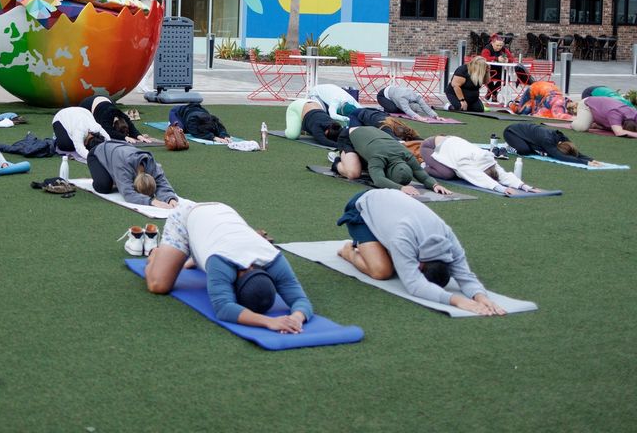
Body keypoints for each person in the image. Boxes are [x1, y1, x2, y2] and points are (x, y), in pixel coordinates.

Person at [144, 201, 314, 334]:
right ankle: (155, 254)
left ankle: (197, 253)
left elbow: (301, 300)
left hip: (222, 222)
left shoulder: (273, 260)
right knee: (158, 285)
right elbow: (224, 308)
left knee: (212, 248)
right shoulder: (221, 262)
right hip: (187, 216)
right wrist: (269, 321)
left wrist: (296, 318)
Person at [336, 189, 507, 315]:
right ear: (419, 265)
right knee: (382, 271)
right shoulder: (402, 236)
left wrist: (481, 297)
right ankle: (349, 252)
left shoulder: (447, 237)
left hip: (390, 208)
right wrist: (456, 300)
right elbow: (414, 285)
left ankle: (377, 247)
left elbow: (465, 276)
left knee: (395, 264)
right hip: (363, 206)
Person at [338, 126, 452, 196]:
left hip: (372, 135)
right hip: (350, 136)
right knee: (353, 173)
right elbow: (378, 180)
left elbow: (422, 174)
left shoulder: (407, 156)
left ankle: (356, 158)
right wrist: (400, 188)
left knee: (370, 167)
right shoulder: (378, 158)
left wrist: (435, 185)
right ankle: (337, 161)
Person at [418, 135, 543, 195]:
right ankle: (423, 166)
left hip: (449, 145)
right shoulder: (465, 161)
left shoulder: (488, 160)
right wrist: (502, 189)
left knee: (455, 173)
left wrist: (524, 186)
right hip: (430, 146)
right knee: (448, 174)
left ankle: (434, 163)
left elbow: (503, 175)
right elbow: (479, 178)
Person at [86, 139, 178, 208]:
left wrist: (170, 198)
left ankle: (116, 178)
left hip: (122, 149)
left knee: (120, 180)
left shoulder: (152, 165)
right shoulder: (123, 166)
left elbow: (162, 183)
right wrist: (152, 202)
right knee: (103, 187)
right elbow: (128, 194)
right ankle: (108, 174)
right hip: (97, 153)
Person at [503, 122, 601, 166]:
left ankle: (529, 144)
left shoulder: (564, 139)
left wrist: (591, 159)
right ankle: (509, 147)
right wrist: (585, 163)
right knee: (525, 151)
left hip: (527, 133)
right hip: (511, 132)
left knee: (534, 149)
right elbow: (560, 157)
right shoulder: (547, 141)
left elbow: (576, 153)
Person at [80, 95, 157, 143]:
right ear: (113, 125)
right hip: (87, 105)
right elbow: (108, 131)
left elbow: (131, 126)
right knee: (91, 131)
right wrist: (125, 137)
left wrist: (139, 136)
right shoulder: (105, 118)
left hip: (105, 100)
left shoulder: (122, 115)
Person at [481, 34, 530, 102]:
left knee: (507, 79)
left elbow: (512, 59)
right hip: (487, 70)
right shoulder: (487, 49)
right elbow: (484, 58)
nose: (499, 47)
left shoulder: (504, 49)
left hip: (499, 70)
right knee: (487, 78)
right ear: (492, 43)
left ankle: (491, 93)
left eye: (500, 45)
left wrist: (507, 60)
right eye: (497, 45)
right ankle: (494, 93)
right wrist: (496, 58)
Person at [507, 80, 576, 120]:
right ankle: (512, 104)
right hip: (535, 89)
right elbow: (557, 115)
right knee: (521, 111)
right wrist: (573, 118)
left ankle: (514, 103)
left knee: (531, 109)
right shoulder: (559, 103)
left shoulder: (564, 100)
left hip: (541, 89)